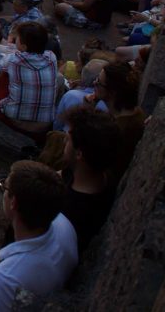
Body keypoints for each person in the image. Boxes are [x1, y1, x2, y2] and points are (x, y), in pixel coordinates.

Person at [0, 161, 78, 311]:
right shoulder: (65, 226)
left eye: (4, 187)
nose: (2, 191)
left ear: (13, 203)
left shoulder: (6, 278)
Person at [61, 107, 119, 253]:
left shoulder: (72, 211)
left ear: (79, 153)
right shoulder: (102, 176)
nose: (63, 140)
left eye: (68, 139)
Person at [0, 21, 59, 135]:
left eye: (18, 38)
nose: (16, 39)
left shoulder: (14, 60)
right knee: (58, 78)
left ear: (23, 46)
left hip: (16, 120)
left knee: (4, 75)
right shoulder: (51, 57)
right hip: (45, 122)